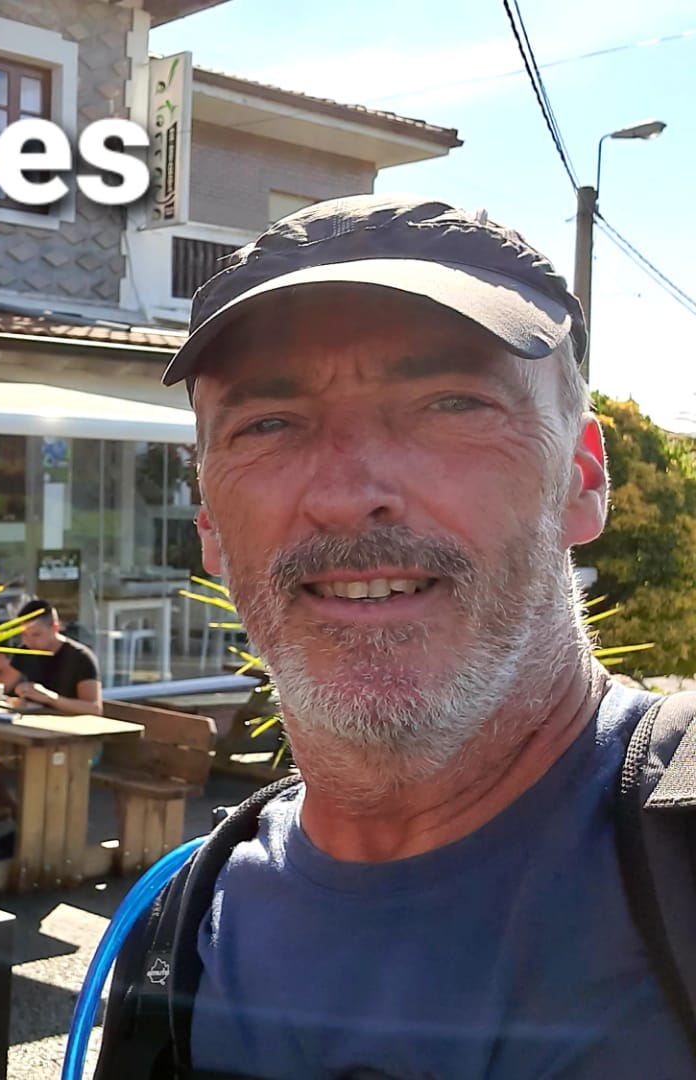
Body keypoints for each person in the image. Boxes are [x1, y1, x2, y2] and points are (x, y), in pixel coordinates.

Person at [92, 193, 696, 1077]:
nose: (348, 495)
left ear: (581, 476)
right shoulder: (177, 936)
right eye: (268, 424)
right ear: (209, 521)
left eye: (451, 404)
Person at [9, 598, 102, 713]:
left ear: (55, 628)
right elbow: (4, 683)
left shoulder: (81, 657)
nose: (28, 641)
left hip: (70, 722)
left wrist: (50, 698)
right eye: (23, 635)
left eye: (36, 635)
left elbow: (94, 708)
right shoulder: (25, 651)